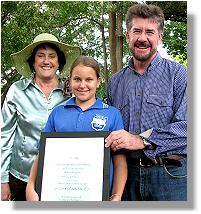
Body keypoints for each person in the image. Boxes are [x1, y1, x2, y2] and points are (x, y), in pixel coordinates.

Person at [105, 3, 187, 201]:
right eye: (137, 31)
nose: (142, 38)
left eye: (150, 32)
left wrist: (141, 140)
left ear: (160, 36)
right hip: (127, 178)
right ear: (127, 36)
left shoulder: (179, 75)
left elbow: (188, 129)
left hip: (170, 176)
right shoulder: (115, 82)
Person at [26, 56, 127, 201]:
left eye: (89, 80)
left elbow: (119, 161)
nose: (82, 85)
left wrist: (117, 195)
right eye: (77, 79)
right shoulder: (57, 112)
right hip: (58, 197)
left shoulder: (112, 114)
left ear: (98, 82)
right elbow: (42, 153)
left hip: (99, 198)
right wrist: (30, 186)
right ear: (70, 80)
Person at [1, 33, 81, 201]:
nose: (46, 61)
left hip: (59, 175)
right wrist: (2, 180)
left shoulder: (71, 93)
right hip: (20, 176)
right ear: (33, 61)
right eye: (41, 56)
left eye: (52, 56)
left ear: (59, 62)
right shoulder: (17, 91)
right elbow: (4, 135)